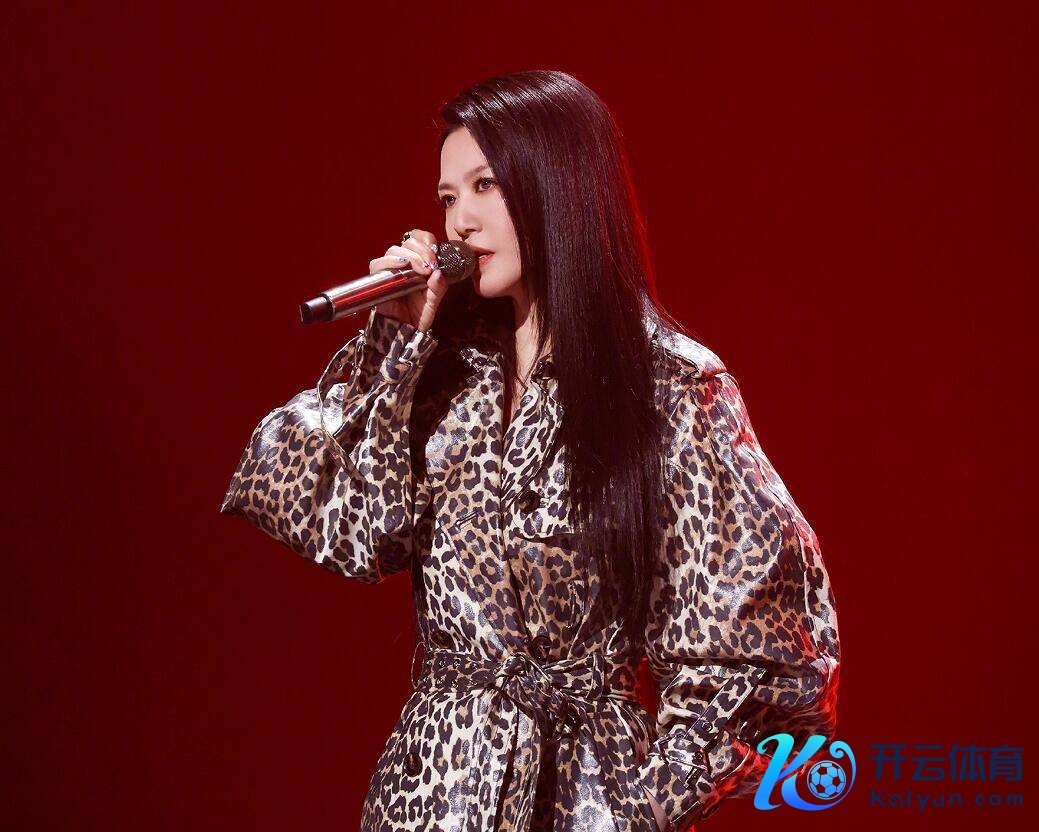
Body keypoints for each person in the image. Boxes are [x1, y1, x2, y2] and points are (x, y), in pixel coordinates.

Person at [220, 70, 841, 832]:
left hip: (583, 799)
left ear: (559, 186)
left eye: (485, 186)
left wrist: (639, 807)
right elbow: (343, 525)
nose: (459, 222)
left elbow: (760, 652)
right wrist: (394, 344)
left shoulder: (669, 389)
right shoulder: (441, 373)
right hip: (432, 802)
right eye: (447, 197)